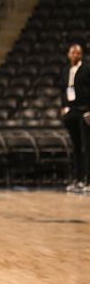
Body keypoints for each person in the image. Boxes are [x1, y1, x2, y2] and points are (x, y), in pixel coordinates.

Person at [61, 44, 90, 192]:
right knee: (76, 147)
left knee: (87, 147)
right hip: (71, 111)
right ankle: (78, 179)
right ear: (68, 54)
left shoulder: (86, 69)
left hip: (84, 111)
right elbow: (63, 89)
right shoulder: (66, 70)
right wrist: (63, 107)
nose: (75, 55)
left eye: (78, 53)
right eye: (73, 52)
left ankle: (88, 181)